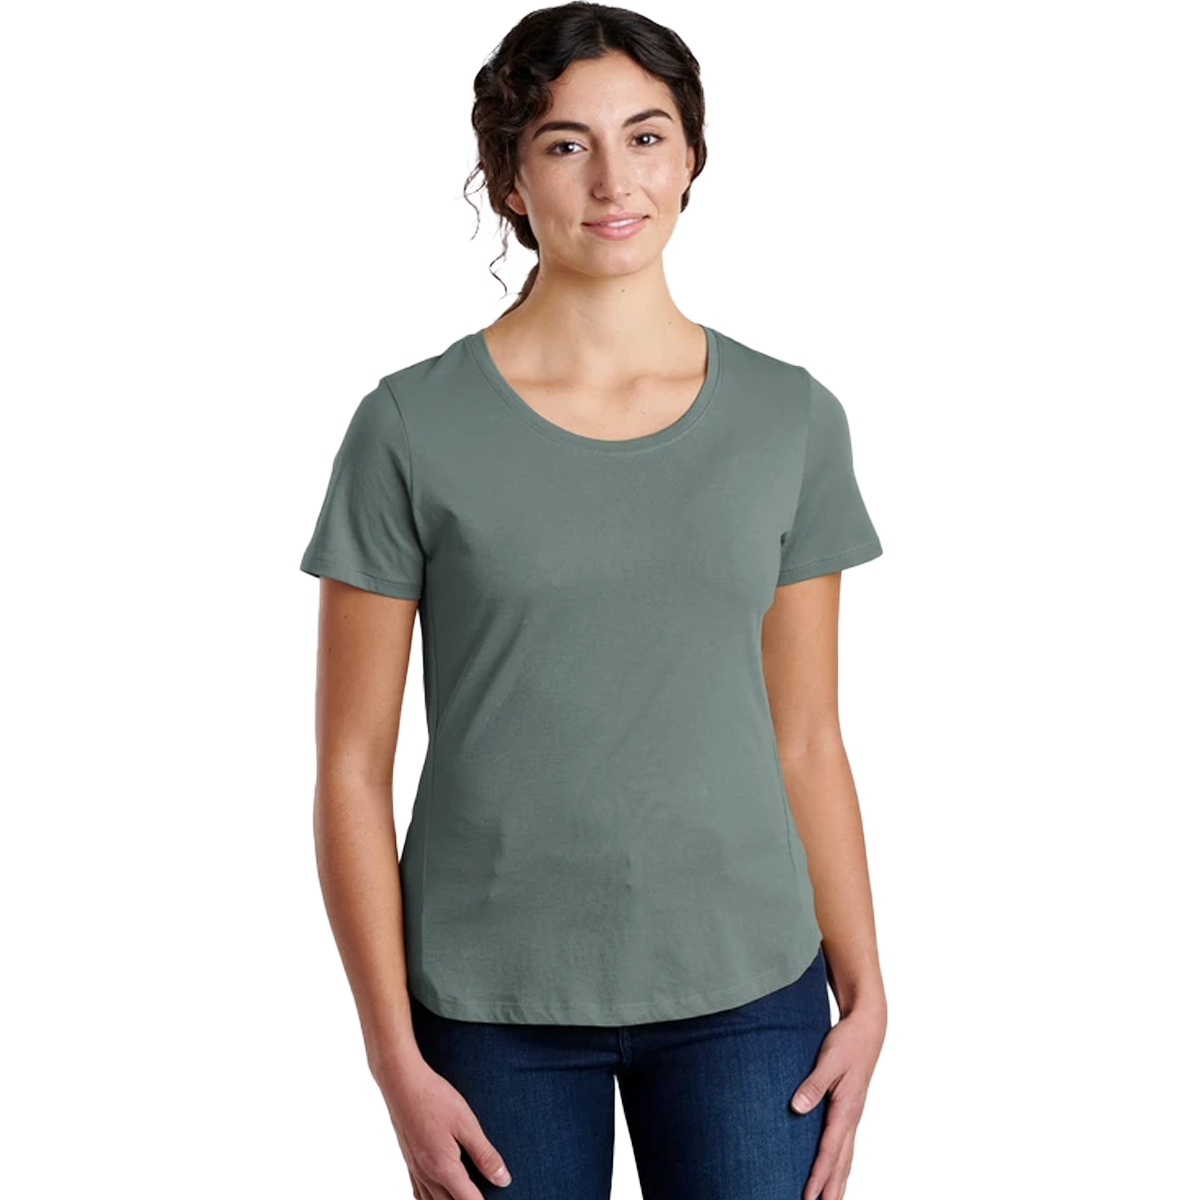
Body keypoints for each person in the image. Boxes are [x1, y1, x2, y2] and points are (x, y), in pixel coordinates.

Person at [300, 4, 888, 1199]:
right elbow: (352, 767)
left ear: (692, 156)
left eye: (646, 136)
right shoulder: (408, 427)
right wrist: (389, 1055)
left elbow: (807, 736)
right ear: (510, 179)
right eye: (566, 144)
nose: (615, 181)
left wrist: (868, 991)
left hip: (750, 990)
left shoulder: (791, 419)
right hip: (487, 998)